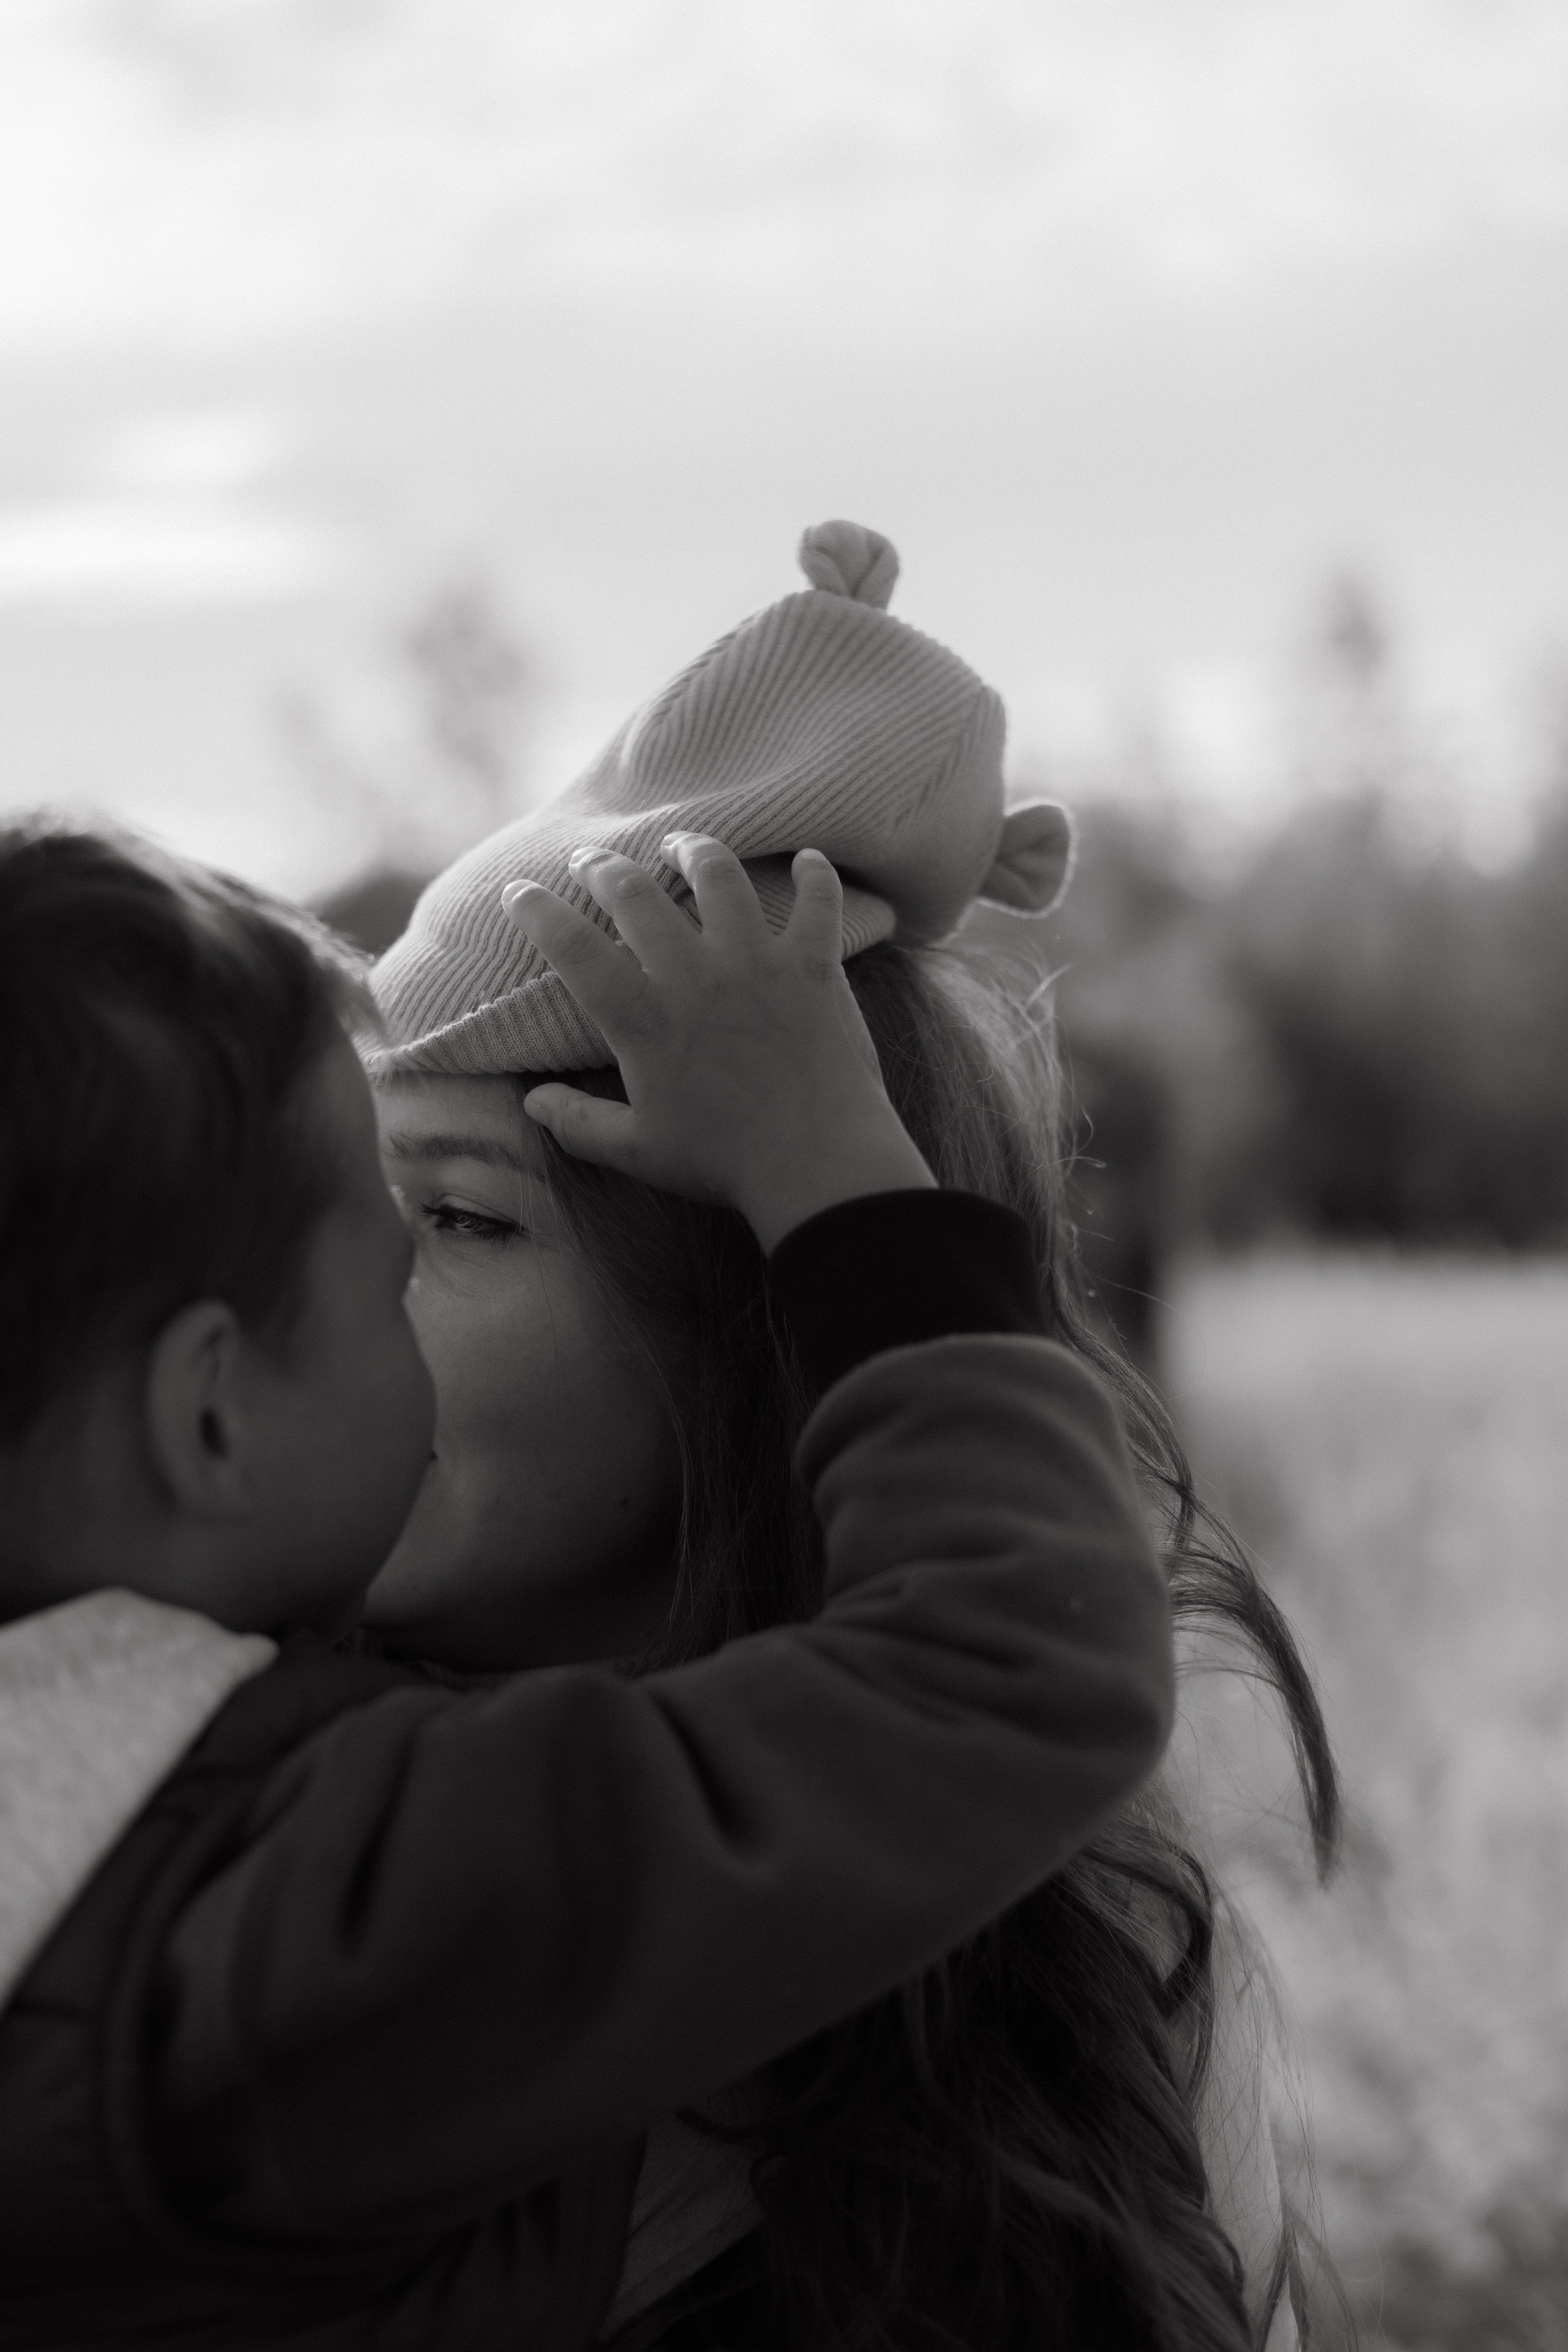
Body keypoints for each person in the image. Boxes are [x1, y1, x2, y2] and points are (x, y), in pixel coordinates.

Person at [0, 815, 1172, 2350]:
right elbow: (1007, 1666)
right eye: (375, 1247)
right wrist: (840, 1184)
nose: (400, 1312)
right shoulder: (330, 1883)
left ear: (746, 1343)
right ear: (207, 1411)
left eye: (462, 1221)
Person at [366, 520, 1341, 2351]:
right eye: (340, 1215)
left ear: (748, 1338)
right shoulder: (190, 1769)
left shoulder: (1045, 2005)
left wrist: (840, 1190)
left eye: (463, 1221)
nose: (338, 1302)